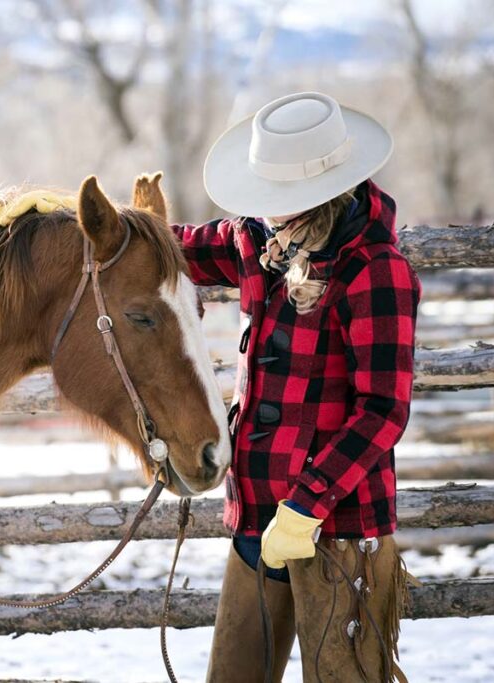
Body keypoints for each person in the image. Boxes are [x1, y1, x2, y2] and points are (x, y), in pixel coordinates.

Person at [168, 91, 421, 682]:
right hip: (256, 517)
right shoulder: (258, 239)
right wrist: (69, 224)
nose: (266, 214)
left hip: (339, 528)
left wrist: (307, 505)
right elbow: (170, 247)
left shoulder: (375, 269)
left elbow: (383, 410)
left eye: (280, 203)